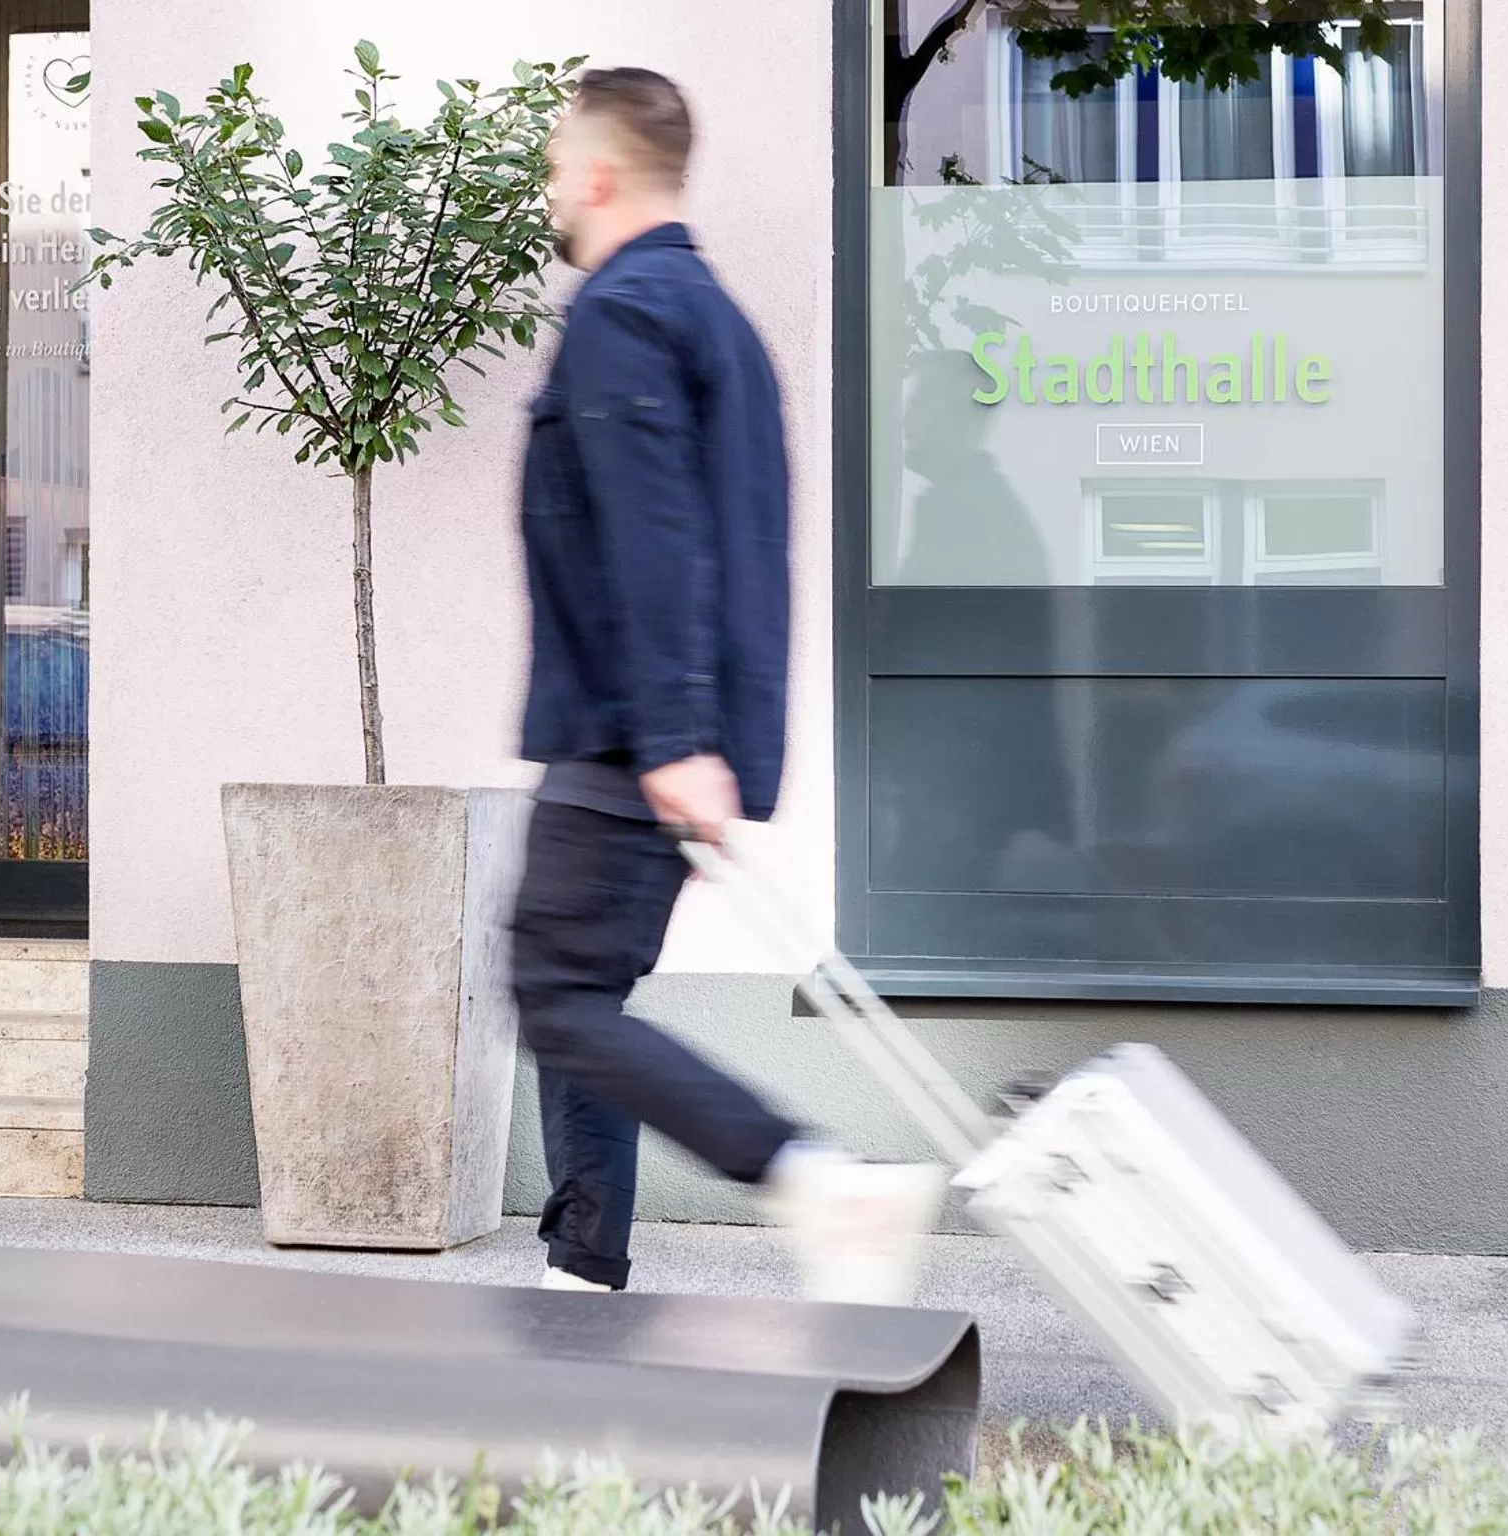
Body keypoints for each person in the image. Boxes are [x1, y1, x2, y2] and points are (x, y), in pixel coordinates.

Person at [510, 67, 945, 1304]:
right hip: (660, 726)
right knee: (580, 993)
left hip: (627, 729)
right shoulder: (712, 317)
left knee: (550, 989)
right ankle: (581, 1266)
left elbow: (660, 544)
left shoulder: (624, 316)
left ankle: (818, 1183)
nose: (549, 190)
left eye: (553, 167)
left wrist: (670, 737)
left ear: (595, 175)